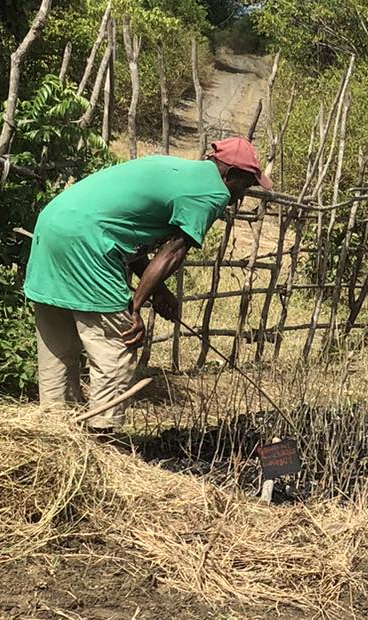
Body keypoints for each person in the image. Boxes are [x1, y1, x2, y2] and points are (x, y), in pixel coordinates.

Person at [25, 136, 269, 433]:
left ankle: (53, 433)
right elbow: (173, 252)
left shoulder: (175, 169)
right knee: (118, 344)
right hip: (87, 243)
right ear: (228, 175)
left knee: (58, 346)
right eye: (245, 184)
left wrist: (160, 292)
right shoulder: (211, 193)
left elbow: (131, 239)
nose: (241, 195)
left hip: (51, 226)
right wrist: (136, 308)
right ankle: (101, 440)